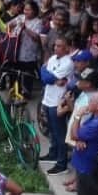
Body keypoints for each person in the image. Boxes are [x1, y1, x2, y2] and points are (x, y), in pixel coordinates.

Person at [40, 39, 74, 174]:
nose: (56, 48)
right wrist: (44, 70)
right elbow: (44, 76)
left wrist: (46, 73)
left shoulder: (68, 62)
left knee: (60, 134)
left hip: (58, 102)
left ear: (67, 48)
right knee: (52, 131)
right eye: (55, 45)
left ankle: (62, 164)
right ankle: (53, 154)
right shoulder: (53, 58)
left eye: (60, 46)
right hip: (48, 99)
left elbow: (47, 78)